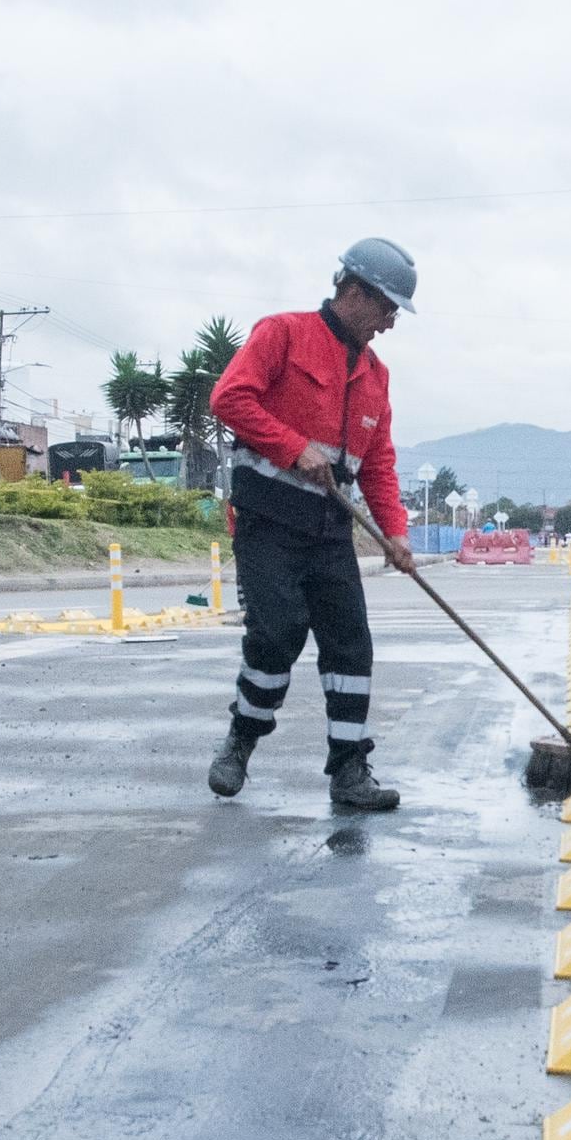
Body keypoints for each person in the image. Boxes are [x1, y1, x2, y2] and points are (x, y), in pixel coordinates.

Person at [204, 238, 418, 812]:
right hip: (269, 520)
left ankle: (349, 772)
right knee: (276, 635)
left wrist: (395, 533)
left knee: (352, 646)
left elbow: (379, 463)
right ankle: (240, 743)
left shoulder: (376, 375)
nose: (390, 323)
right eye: (387, 308)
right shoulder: (283, 333)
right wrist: (293, 448)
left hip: (329, 529)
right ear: (353, 291)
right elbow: (229, 398)